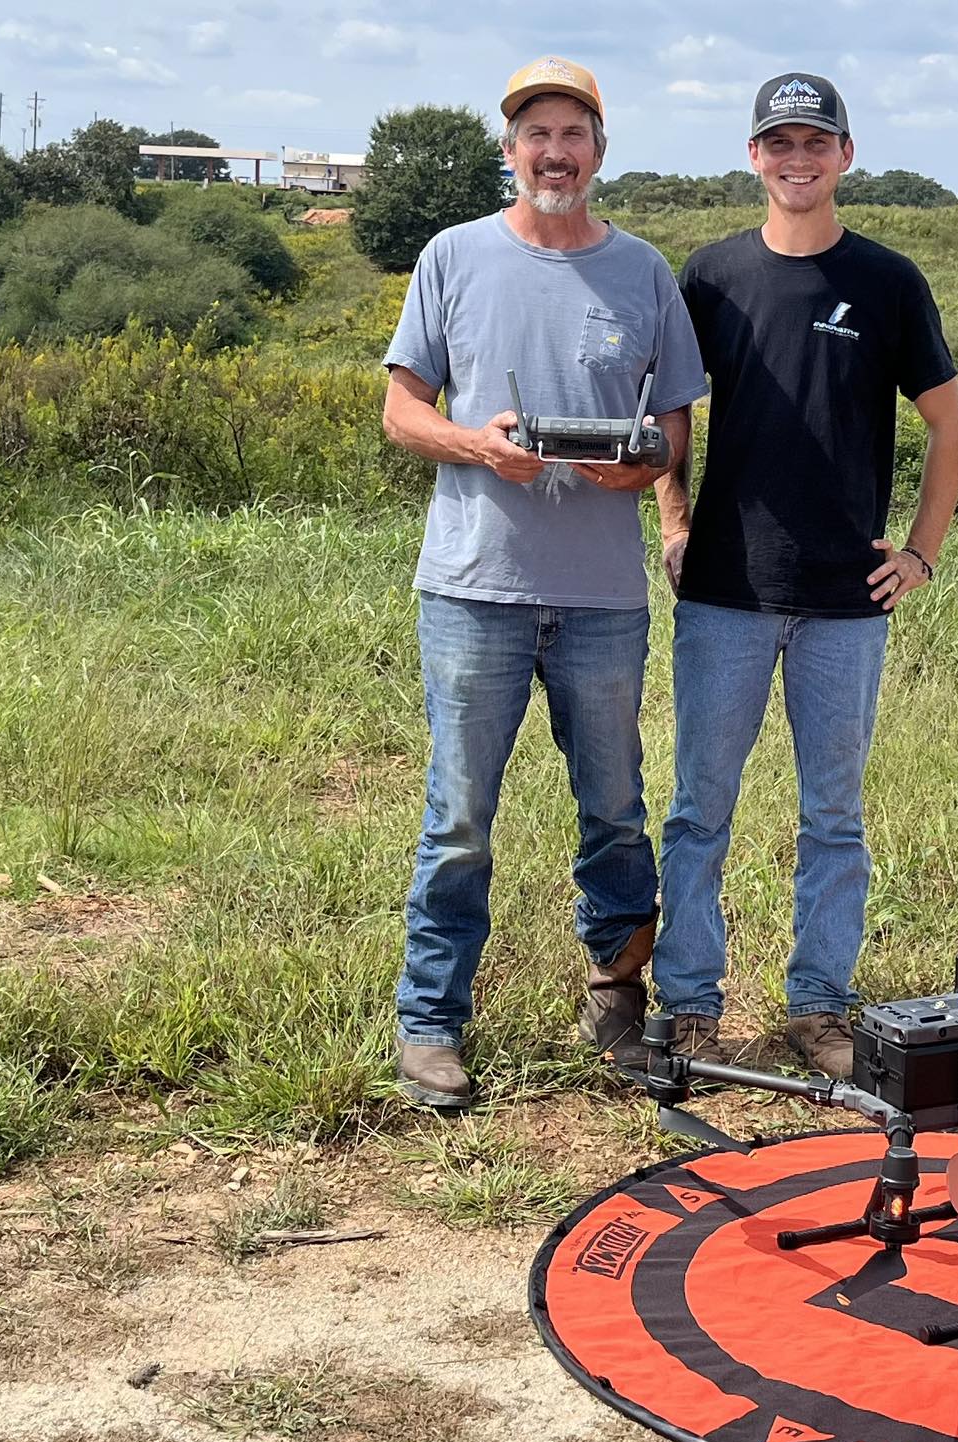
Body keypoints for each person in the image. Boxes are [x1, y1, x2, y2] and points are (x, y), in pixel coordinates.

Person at [381, 56, 708, 1108]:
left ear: (599, 153)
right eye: (536, 136)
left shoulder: (642, 272)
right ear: (510, 152)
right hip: (473, 587)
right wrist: (479, 448)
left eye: (573, 135)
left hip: (602, 598)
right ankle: (431, 1024)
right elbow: (401, 411)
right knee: (458, 817)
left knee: (612, 810)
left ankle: (615, 1003)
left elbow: (670, 425)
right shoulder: (452, 257)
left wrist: (645, 467)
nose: (554, 153)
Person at [649, 72, 958, 1076]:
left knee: (832, 816)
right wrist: (670, 516)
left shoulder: (885, 282)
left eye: (813, 144)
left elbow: (948, 425)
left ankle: (817, 1007)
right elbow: (671, 414)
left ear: (843, 155)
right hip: (724, 593)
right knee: (701, 805)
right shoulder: (708, 276)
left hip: (843, 601)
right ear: (752, 157)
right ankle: (690, 1007)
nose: (796, 161)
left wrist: (919, 554)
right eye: (777, 144)